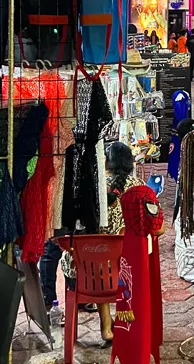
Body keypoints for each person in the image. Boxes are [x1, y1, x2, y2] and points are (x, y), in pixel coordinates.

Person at [61, 142, 142, 343]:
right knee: (108, 258)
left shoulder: (92, 187)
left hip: (88, 272)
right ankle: (122, 324)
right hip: (127, 270)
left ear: (105, 161)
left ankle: (106, 325)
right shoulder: (139, 187)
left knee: (95, 257)